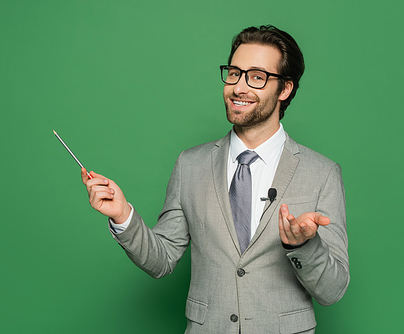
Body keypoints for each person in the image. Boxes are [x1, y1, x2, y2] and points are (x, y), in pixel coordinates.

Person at [82, 25, 349, 334]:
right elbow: (162, 259)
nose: (239, 87)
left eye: (257, 77)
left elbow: (333, 291)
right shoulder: (190, 165)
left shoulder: (322, 173)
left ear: (285, 89)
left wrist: (304, 245)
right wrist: (122, 216)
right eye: (234, 73)